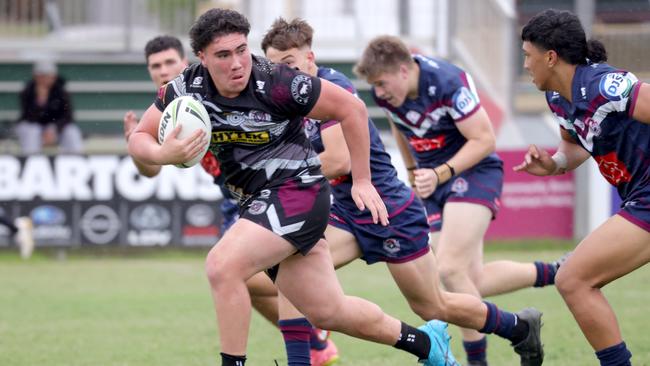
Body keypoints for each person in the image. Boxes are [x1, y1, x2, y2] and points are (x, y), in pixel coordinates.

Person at [128, 9, 456, 366]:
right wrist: (163, 152)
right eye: (223, 55)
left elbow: (352, 109)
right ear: (202, 58)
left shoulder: (277, 82)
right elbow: (140, 137)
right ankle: (426, 344)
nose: (237, 62)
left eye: (241, 50)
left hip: (299, 193)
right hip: (258, 202)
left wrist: (362, 180)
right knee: (329, 311)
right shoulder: (185, 89)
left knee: (222, 266)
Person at [257, 17, 547, 366]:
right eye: (274, 67)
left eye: (288, 64)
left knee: (432, 304)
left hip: (388, 209)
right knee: (292, 272)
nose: (282, 73)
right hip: (347, 211)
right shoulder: (285, 102)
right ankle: (300, 361)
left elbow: (338, 161)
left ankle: (518, 327)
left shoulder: (333, 87)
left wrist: (273, 173)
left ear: (309, 58)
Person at [354, 35, 558, 365]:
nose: (379, 93)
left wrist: (441, 172)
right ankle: (554, 275)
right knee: (468, 279)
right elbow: (402, 129)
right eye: (373, 86)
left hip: (473, 172)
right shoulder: (392, 94)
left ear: (404, 70)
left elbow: (485, 140)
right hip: (434, 180)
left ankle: (478, 361)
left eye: (381, 83)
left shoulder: (448, 82)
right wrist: (411, 170)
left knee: (449, 267)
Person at [516, 9, 650, 366]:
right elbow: (575, 146)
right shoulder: (557, 98)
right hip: (639, 198)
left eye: (527, 55)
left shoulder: (602, 85)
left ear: (550, 56)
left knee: (574, 279)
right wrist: (553, 164)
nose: (525, 65)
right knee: (574, 279)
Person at [122, 35, 240, 235]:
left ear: (185, 62)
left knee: (235, 264)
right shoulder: (163, 116)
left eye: (170, 62)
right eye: (156, 66)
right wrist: (137, 147)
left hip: (258, 189)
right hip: (231, 197)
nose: (164, 71)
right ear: (149, 71)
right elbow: (151, 171)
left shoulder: (212, 90)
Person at [15, 60, 83, 154]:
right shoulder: (28, 91)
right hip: (33, 127)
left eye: (47, 76)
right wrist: (40, 101)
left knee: (72, 132)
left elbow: (68, 117)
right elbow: (29, 117)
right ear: (35, 77)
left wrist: (53, 128)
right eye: (41, 76)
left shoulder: (61, 92)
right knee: (32, 131)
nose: (44, 79)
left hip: (56, 128)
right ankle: (31, 162)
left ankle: (74, 162)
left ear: (54, 77)